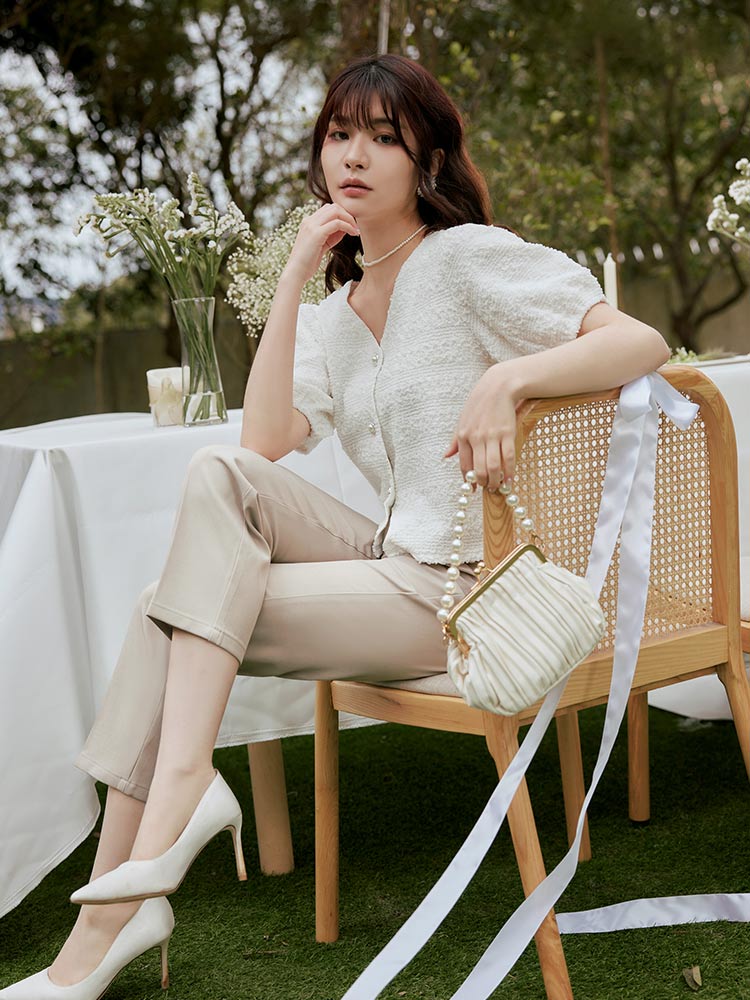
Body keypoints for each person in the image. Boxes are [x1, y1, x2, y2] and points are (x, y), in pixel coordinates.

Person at [0, 53, 670, 999]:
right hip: (393, 561)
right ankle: (157, 840)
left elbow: (640, 341)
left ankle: (105, 929)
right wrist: (294, 281)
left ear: (427, 160)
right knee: (217, 481)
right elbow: (264, 440)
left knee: (165, 608)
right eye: (339, 135)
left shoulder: (466, 259)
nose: (353, 156)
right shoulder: (335, 314)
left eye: (383, 138)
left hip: (464, 591)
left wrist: (508, 378)